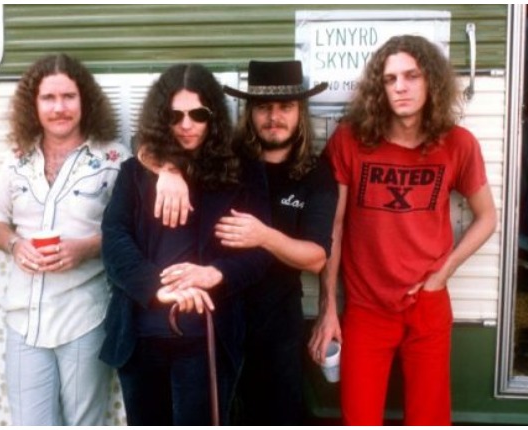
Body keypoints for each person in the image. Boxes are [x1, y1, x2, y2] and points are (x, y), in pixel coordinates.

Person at [308, 35, 497, 425]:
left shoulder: (457, 144)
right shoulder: (351, 140)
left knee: (429, 419)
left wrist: (442, 274)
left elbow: (487, 218)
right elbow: (336, 227)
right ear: (380, 88)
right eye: (390, 79)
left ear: (431, 82)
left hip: (427, 304)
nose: (401, 87)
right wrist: (328, 308)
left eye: (411, 76)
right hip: (365, 306)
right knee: (359, 418)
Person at [144, 60, 338, 424]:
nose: (274, 117)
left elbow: (315, 258)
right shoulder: (226, 159)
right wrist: (166, 170)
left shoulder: (314, 173)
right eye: (264, 107)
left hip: (276, 319)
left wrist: (264, 236)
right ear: (249, 112)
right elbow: (153, 143)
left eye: (285, 107)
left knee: (278, 413)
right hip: (218, 312)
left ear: (300, 113)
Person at [100, 63, 273, 425]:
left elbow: (259, 255)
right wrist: (157, 287)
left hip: (207, 336)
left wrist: (214, 272)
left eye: (198, 114)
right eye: (174, 115)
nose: (186, 124)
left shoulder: (242, 173)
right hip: (143, 334)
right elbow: (114, 242)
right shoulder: (135, 172)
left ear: (213, 117)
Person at [0, 53, 130, 426]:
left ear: (85, 101)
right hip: (24, 319)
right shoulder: (16, 159)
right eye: (48, 98)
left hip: (85, 316)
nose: (59, 108)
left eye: (68, 97)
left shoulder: (114, 158)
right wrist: (16, 245)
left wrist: (86, 248)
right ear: (34, 105)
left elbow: (129, 231)